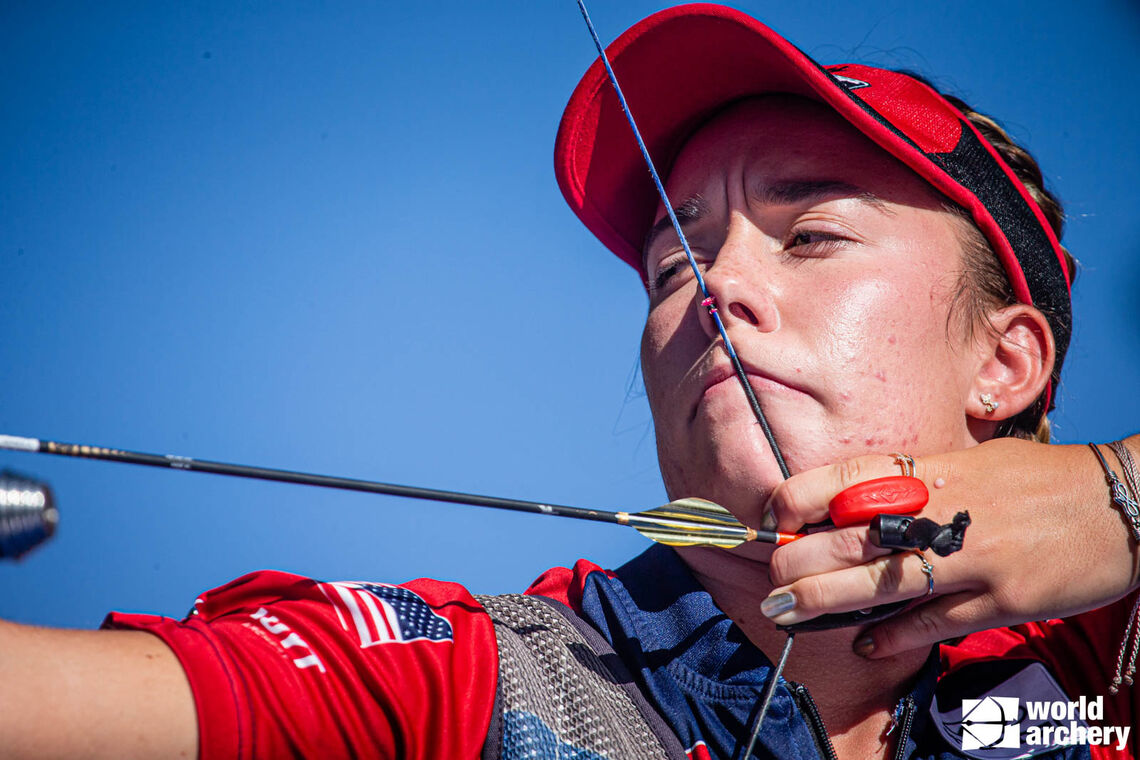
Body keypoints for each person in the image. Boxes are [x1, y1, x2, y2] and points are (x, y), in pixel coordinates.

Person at [2, 4, 1139, 759]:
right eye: (672, 264)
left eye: (811, 237)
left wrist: (1116, 499)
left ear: (1005, 364)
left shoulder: (1094, 677)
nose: (713, 285)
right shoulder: (468, 685)